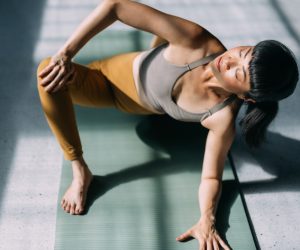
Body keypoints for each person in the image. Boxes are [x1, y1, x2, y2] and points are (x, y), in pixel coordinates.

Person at [36, 0, 299, 249]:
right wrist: (65, 53)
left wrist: (207, 218)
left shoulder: (222, 116)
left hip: (141, 108)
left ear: (245, 97)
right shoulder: (198, 41)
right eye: (243, 52)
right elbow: (115, 6)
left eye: (237, 72)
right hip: (103, 80)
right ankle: (80, 168)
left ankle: (161, 49)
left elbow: (211, 176)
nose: (228, 60)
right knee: (47, 71)